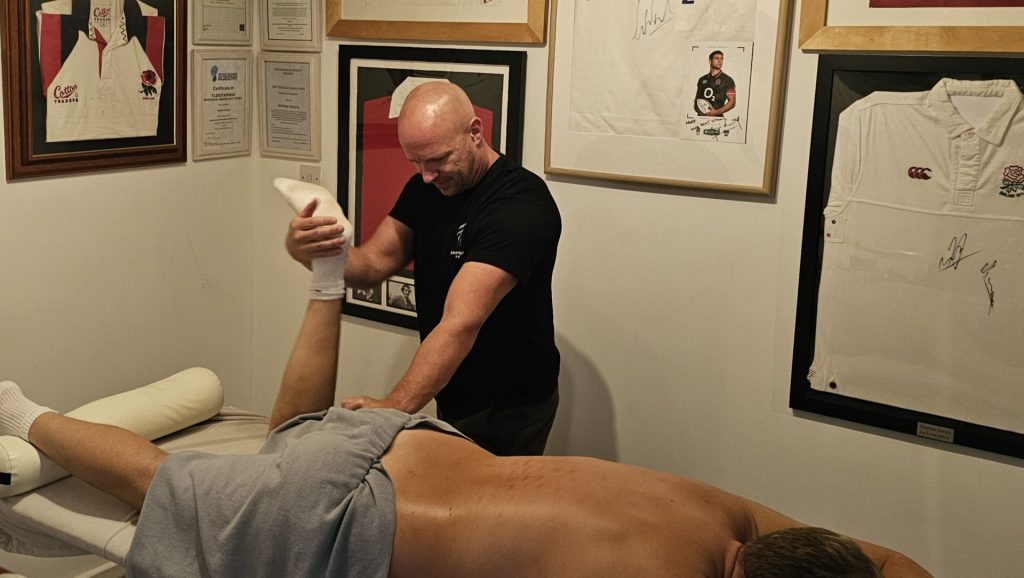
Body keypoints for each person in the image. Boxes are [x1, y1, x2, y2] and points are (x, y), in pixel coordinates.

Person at [0, 266, 933, 577]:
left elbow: (894, 563)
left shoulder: (740, 520)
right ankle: (16, 409)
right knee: (166, 494)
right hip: (347, 515)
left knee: (278, 441)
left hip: (401, 443)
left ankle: (325, 288)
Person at [286, 81, 562, 456]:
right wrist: (310, 250)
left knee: (483, 510)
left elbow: (460, 321)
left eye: (438, 160)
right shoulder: (426, 188)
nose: (427, 175)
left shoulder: (520, 205)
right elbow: (370, 265)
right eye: (415, 162)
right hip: (455, 389)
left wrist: (393, 407)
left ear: (475, 132)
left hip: (510, 404)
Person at [694, 50, 737, 117]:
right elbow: (697, 99)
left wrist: (716, 112)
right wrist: (700, 110)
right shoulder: (702, 79)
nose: (720, 61)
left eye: (721, 58)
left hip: (717, 119)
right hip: (701, 118)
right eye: (716, 58)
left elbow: (732, 102)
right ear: (710, 61)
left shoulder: (728, 80)